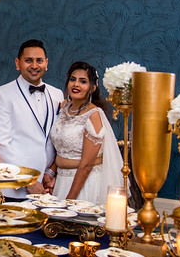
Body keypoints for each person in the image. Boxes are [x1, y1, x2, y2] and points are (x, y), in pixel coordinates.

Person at [0, 39, 64, 199]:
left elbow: (57, 140)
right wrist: (27, 180)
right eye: (28, 60)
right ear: (18, 63)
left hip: (48, 187)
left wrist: (50, 173)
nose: (34, 66)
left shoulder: (57, 95)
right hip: (15, 189)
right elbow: (1, 144)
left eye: (39, 61)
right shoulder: (1, 94)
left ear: (46, 63)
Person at [43, 61, 124, 204]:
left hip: (84, 184)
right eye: (72, 79)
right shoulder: (64, 108)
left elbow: (86, 165)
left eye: (83, 81)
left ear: (92, 87)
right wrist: (50, 172)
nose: (76, 84)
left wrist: (69, 200)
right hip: (61, 181)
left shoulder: (93, 115)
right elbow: (62, 148)